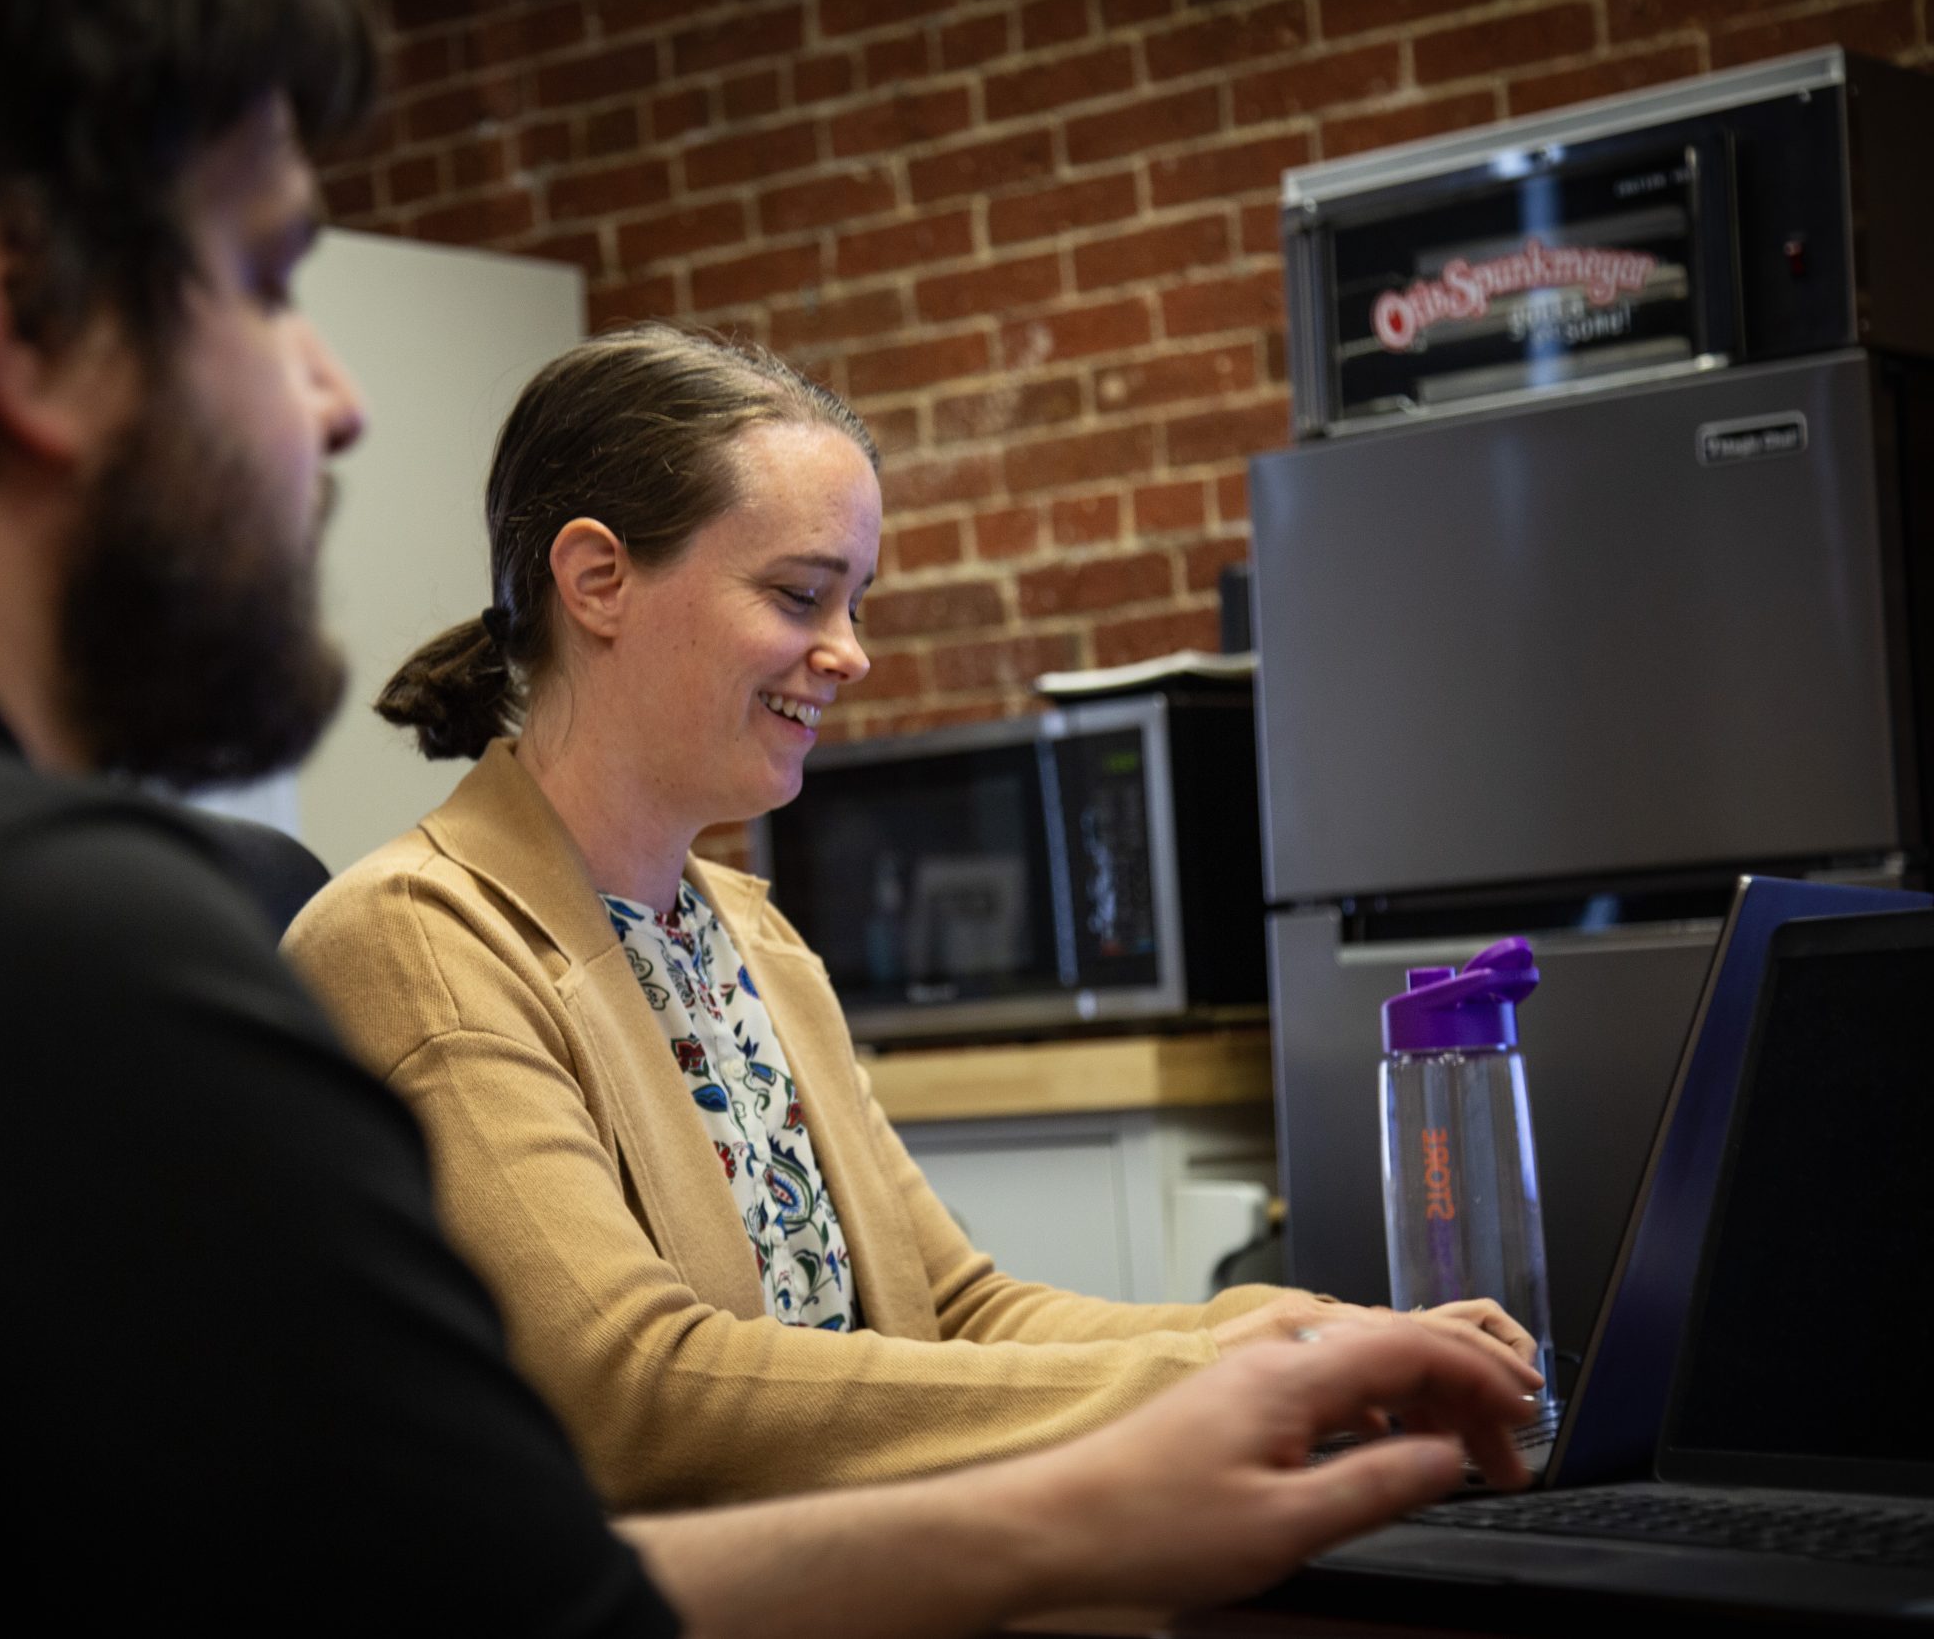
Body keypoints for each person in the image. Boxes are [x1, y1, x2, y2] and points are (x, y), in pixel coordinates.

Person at [0, 0, 1531, 1627]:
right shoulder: (26, 951)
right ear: (23, 326)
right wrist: (1118, 1470)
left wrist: (1209, 1369)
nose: (327, 402)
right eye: (264, 275)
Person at [284, 325, 1544, 1510]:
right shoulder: (422, 941)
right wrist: (1215, 1376)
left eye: (856, 603)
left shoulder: (753, 938)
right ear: (597, 578)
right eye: (796, 594)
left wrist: (1294, 1334)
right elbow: (635, 1396)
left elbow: (956, 1311)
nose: (848, 652)